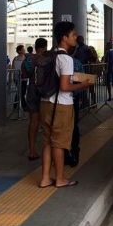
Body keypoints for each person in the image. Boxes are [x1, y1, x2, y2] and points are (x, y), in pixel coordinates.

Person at [39, 22, 93, 188]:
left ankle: (45, 178)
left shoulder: (48, 55)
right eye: (73, 35)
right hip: (61, 106)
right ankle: (60, 178)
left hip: (45, 103)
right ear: (64, 38)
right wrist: (83, 84)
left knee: (48, 142)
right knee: (60, 143)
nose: (75, 38)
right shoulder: (66, 59)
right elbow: (64, 87)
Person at [22, 38, 48, 161]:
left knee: (33, 121)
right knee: (46, 122)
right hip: (44, 92)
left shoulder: (29, 59)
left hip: (31, 90)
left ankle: (32, 150)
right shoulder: (46, 59)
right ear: (44, 47)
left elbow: (25, 73)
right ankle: (48, 151)